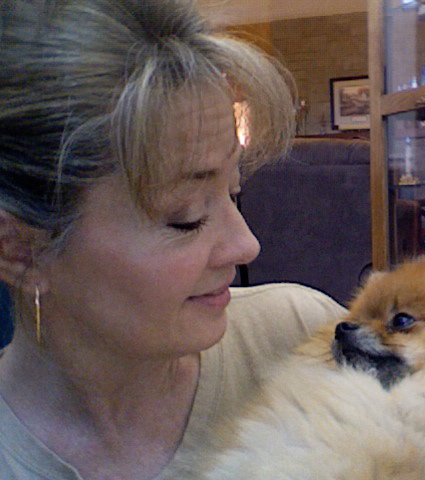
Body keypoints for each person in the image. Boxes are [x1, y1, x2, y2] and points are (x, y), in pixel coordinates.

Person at [0, 1, 346, 479]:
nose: (246, 246)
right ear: (19, 249)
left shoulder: (305, 339)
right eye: (186, 218)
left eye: (232, 192)